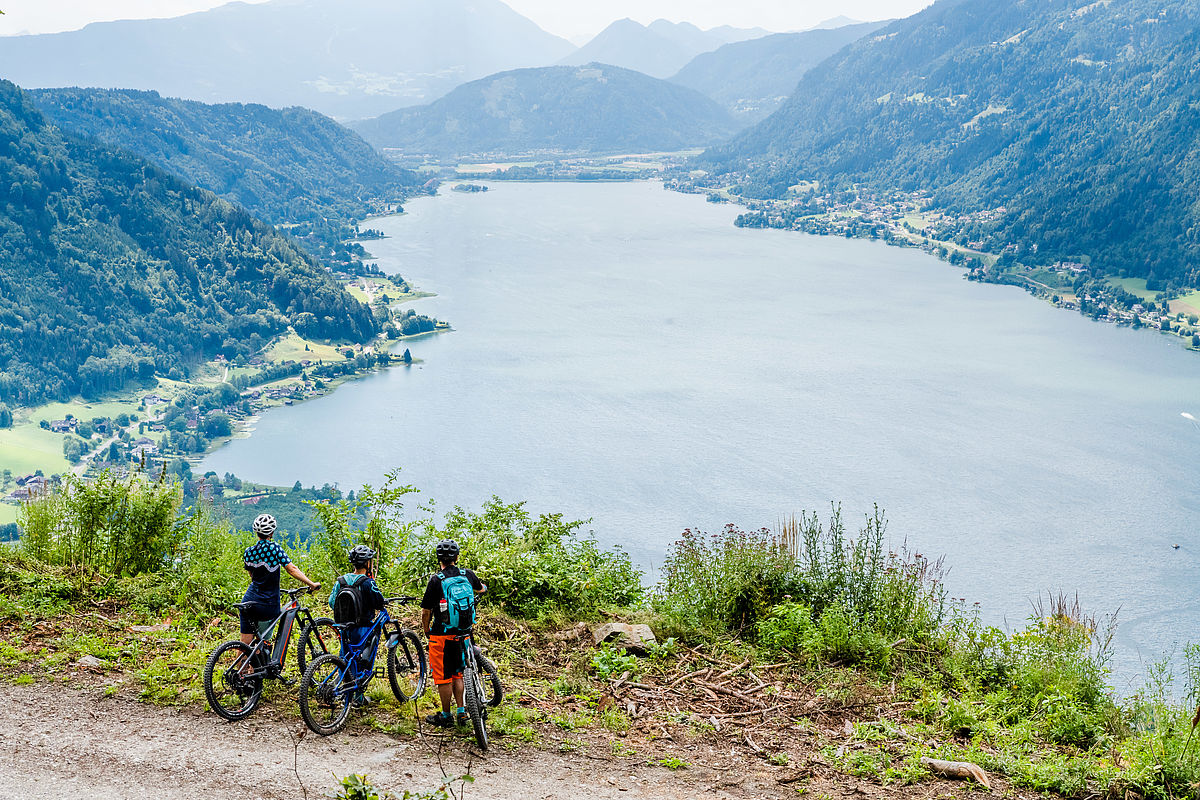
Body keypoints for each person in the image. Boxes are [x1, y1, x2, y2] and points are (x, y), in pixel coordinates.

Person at [421, 538, 486, 727]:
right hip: (463, 634)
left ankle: (446, 715)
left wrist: (426, 630)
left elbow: (426, 611)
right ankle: (462, 710)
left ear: (438, 559)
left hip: (441, 635)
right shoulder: (468, 575)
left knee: (443, 677)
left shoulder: (436, 580)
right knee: (458, 672)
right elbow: (480, 589)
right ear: (456, 557)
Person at [240, 514, 320, 656]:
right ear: (272, 532)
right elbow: (291, 569)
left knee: (245, 645)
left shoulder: (249, 552)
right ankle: (255, 670)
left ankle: (241, 674)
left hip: (248, 599)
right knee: (261, 641)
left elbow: (252, 575)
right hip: (267, 602)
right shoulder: (274, 548)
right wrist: (311, 584)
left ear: (256, 532)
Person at [328, 544, 387, 706]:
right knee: (363, 659)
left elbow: (332, 602)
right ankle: (358, 697)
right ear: (367, 563)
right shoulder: (368, 583)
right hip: (363, 628)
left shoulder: (340, 581)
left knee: (345, 657)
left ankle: (345, 691)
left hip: (344, 628)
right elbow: (379, 602)